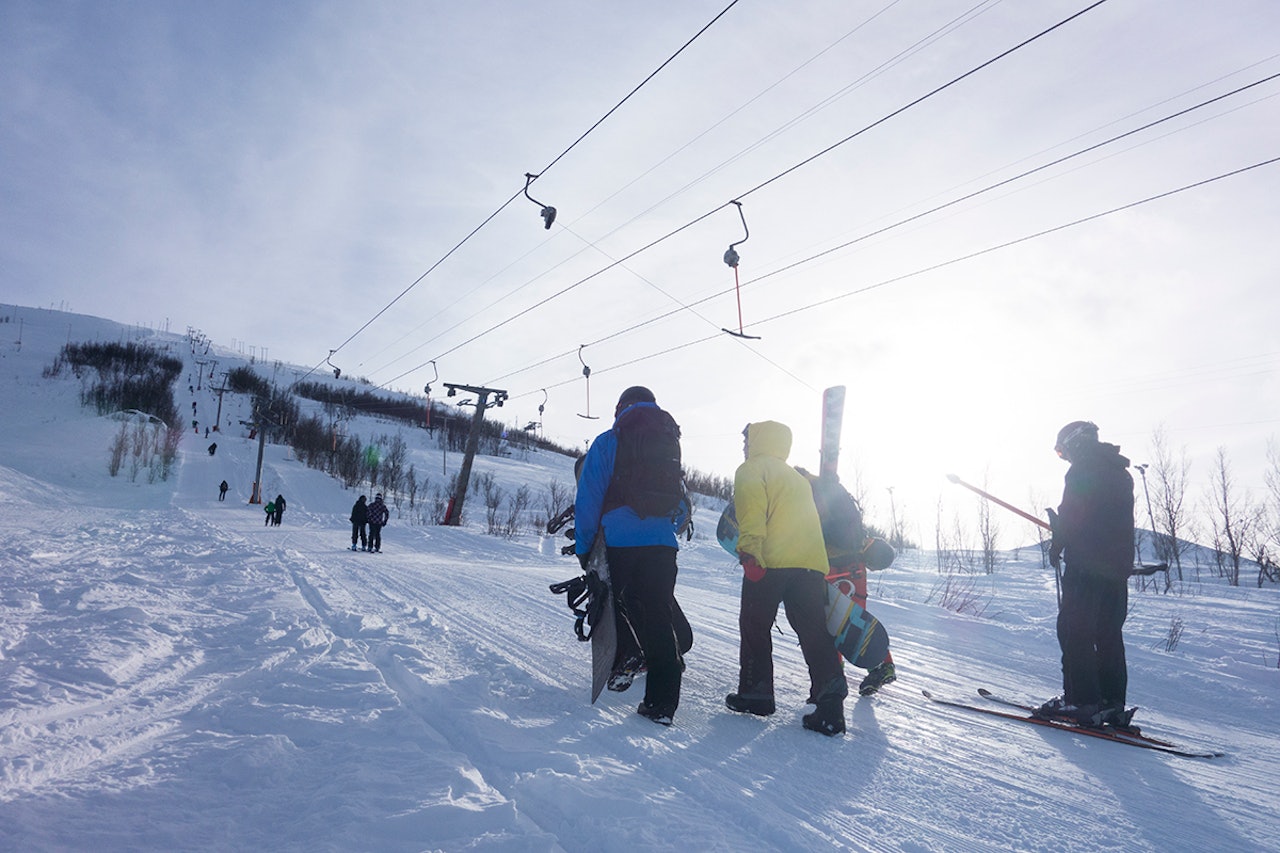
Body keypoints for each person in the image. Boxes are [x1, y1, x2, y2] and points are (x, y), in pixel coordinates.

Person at [727, 421, 848, 736]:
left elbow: (752, 513)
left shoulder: (752, 469)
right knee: (814, 632)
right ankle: (830, 707)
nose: (745, 446)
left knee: (754, 625)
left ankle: (756, 694)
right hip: (810, 565)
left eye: (747, 440)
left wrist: (750, 552)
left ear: (757, 441)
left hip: (771, 561)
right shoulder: (797, 478)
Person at [575, 386, 686, 726]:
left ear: (621, 408)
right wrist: (664, 530)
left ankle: (627, 653)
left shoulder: (609, 441)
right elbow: (680, 504)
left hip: (618, 540)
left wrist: (584, 548)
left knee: (608, 603)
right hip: (662, 544)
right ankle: (661, 705)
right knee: (658, 616)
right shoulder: (669, 444)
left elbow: (589, 497)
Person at [1038, 420, 1136, 727]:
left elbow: (1075, 515)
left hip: (1086, 566)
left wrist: (1059, 537)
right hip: (1116, 571)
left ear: (1075, 443)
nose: (1064, 458)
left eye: (1062, 451)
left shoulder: (1083, 469)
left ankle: (1081, 701)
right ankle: (1111, 703)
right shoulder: (1121, 473)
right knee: (1108, 634)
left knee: (1074, 629)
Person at [798, 468, 897, 696]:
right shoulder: (830, 492)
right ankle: (880, 666)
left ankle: (836, 671)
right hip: (852, 567)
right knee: (849, 620)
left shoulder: (813, 489)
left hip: (837, 565)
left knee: (836, 621)